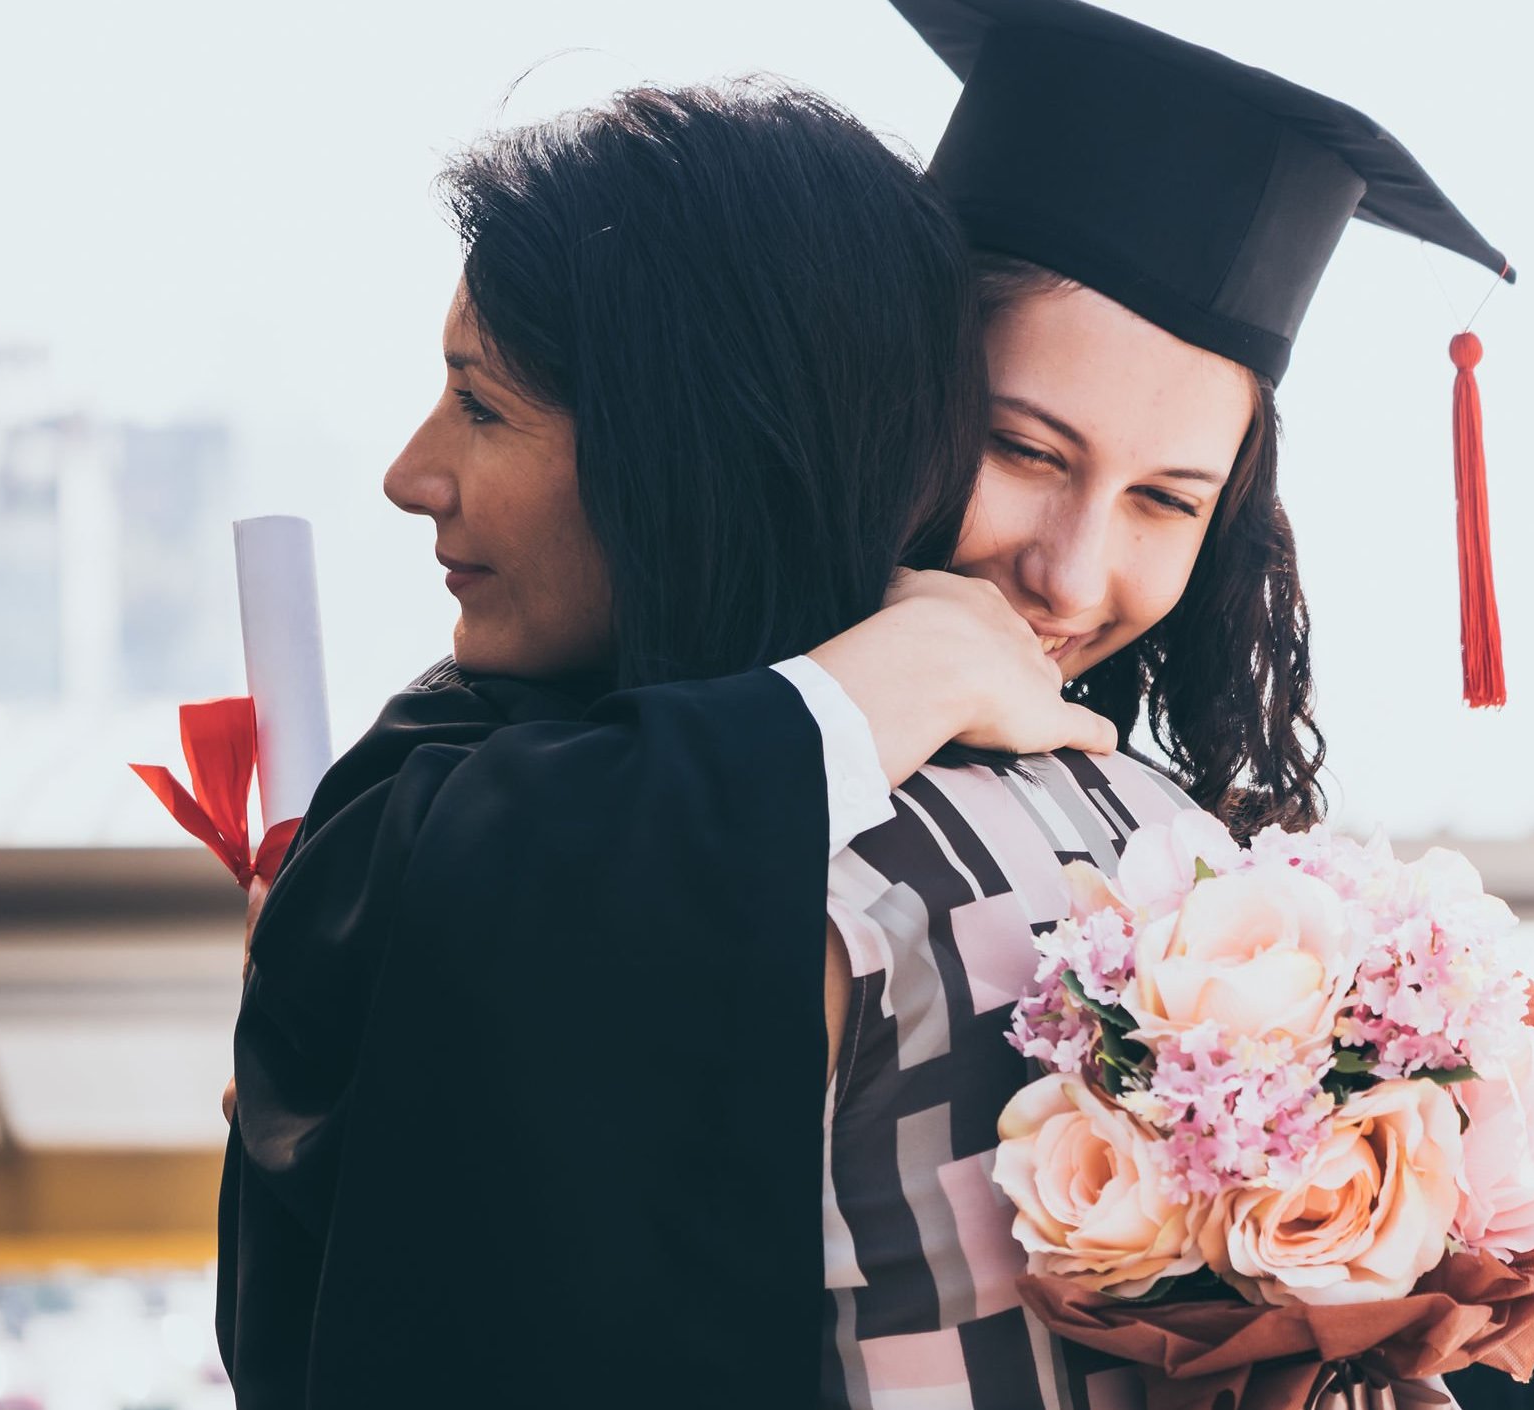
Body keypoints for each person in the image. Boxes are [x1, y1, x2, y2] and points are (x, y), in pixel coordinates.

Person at [217, 79, 1115, 1408]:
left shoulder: (998, 870)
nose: (412, 474)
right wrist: (856, 691)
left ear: (676, 455)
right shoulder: (469, 767)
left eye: (483, 404)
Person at [813, 2, 1534, 1405]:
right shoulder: (730, 795)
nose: (1071, 568)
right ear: (892, 393)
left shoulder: (1198, 856)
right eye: (1019, 449)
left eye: (1165, 501)